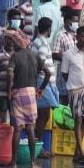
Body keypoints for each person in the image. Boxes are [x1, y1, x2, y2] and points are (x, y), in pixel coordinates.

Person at [7, 29, 49, 168]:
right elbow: (47, 73)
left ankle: (13, 162)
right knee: (30, 128)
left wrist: (9, 90)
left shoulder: (14, 57)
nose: (12, 43)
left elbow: (10, 74)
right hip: (31, 92)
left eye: (14, 41)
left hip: (18, 93)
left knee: (18, 129)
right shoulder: (34, 56)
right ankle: (32, 162)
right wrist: (41, 88)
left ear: (18, 43)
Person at [61, 26, 84, 166]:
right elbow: (64, 73)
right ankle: (82, 153)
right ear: (77, 37)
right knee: (78, 120)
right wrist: (74, 82)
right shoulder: (69, 54)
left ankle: (77, 152)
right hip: (74, 90)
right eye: (82, 36)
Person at [30, 17, 59, 152]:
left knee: (44, 114)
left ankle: (39, 144)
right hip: (42, 81)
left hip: (45, 82)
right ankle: (38, 146)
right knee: (43, 114)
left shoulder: (41, 41)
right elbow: (40, 64)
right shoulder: (40, 43)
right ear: (49, 29)